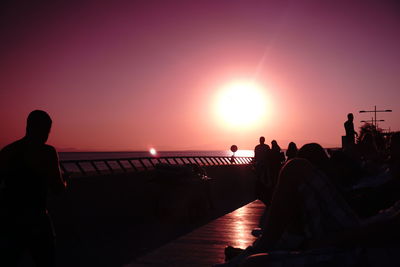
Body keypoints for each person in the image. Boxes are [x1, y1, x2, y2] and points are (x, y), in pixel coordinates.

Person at [0, 110, 66, 267]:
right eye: (46, 131)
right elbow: (58, 189)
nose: (46, 136)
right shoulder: (47, 152)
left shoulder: (7, 151)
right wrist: (66, 181)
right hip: (38, 220)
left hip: (11, 220)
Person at [253, 137, 271, 203]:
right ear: (264, 140)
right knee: (266, 177)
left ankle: (259, 189)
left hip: (259, 164)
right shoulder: (267, 147)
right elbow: (269, 155)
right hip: (265, 164)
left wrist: (254, 163)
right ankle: (264, 189)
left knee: (258, 177)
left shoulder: (257, 147)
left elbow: (255, 156)